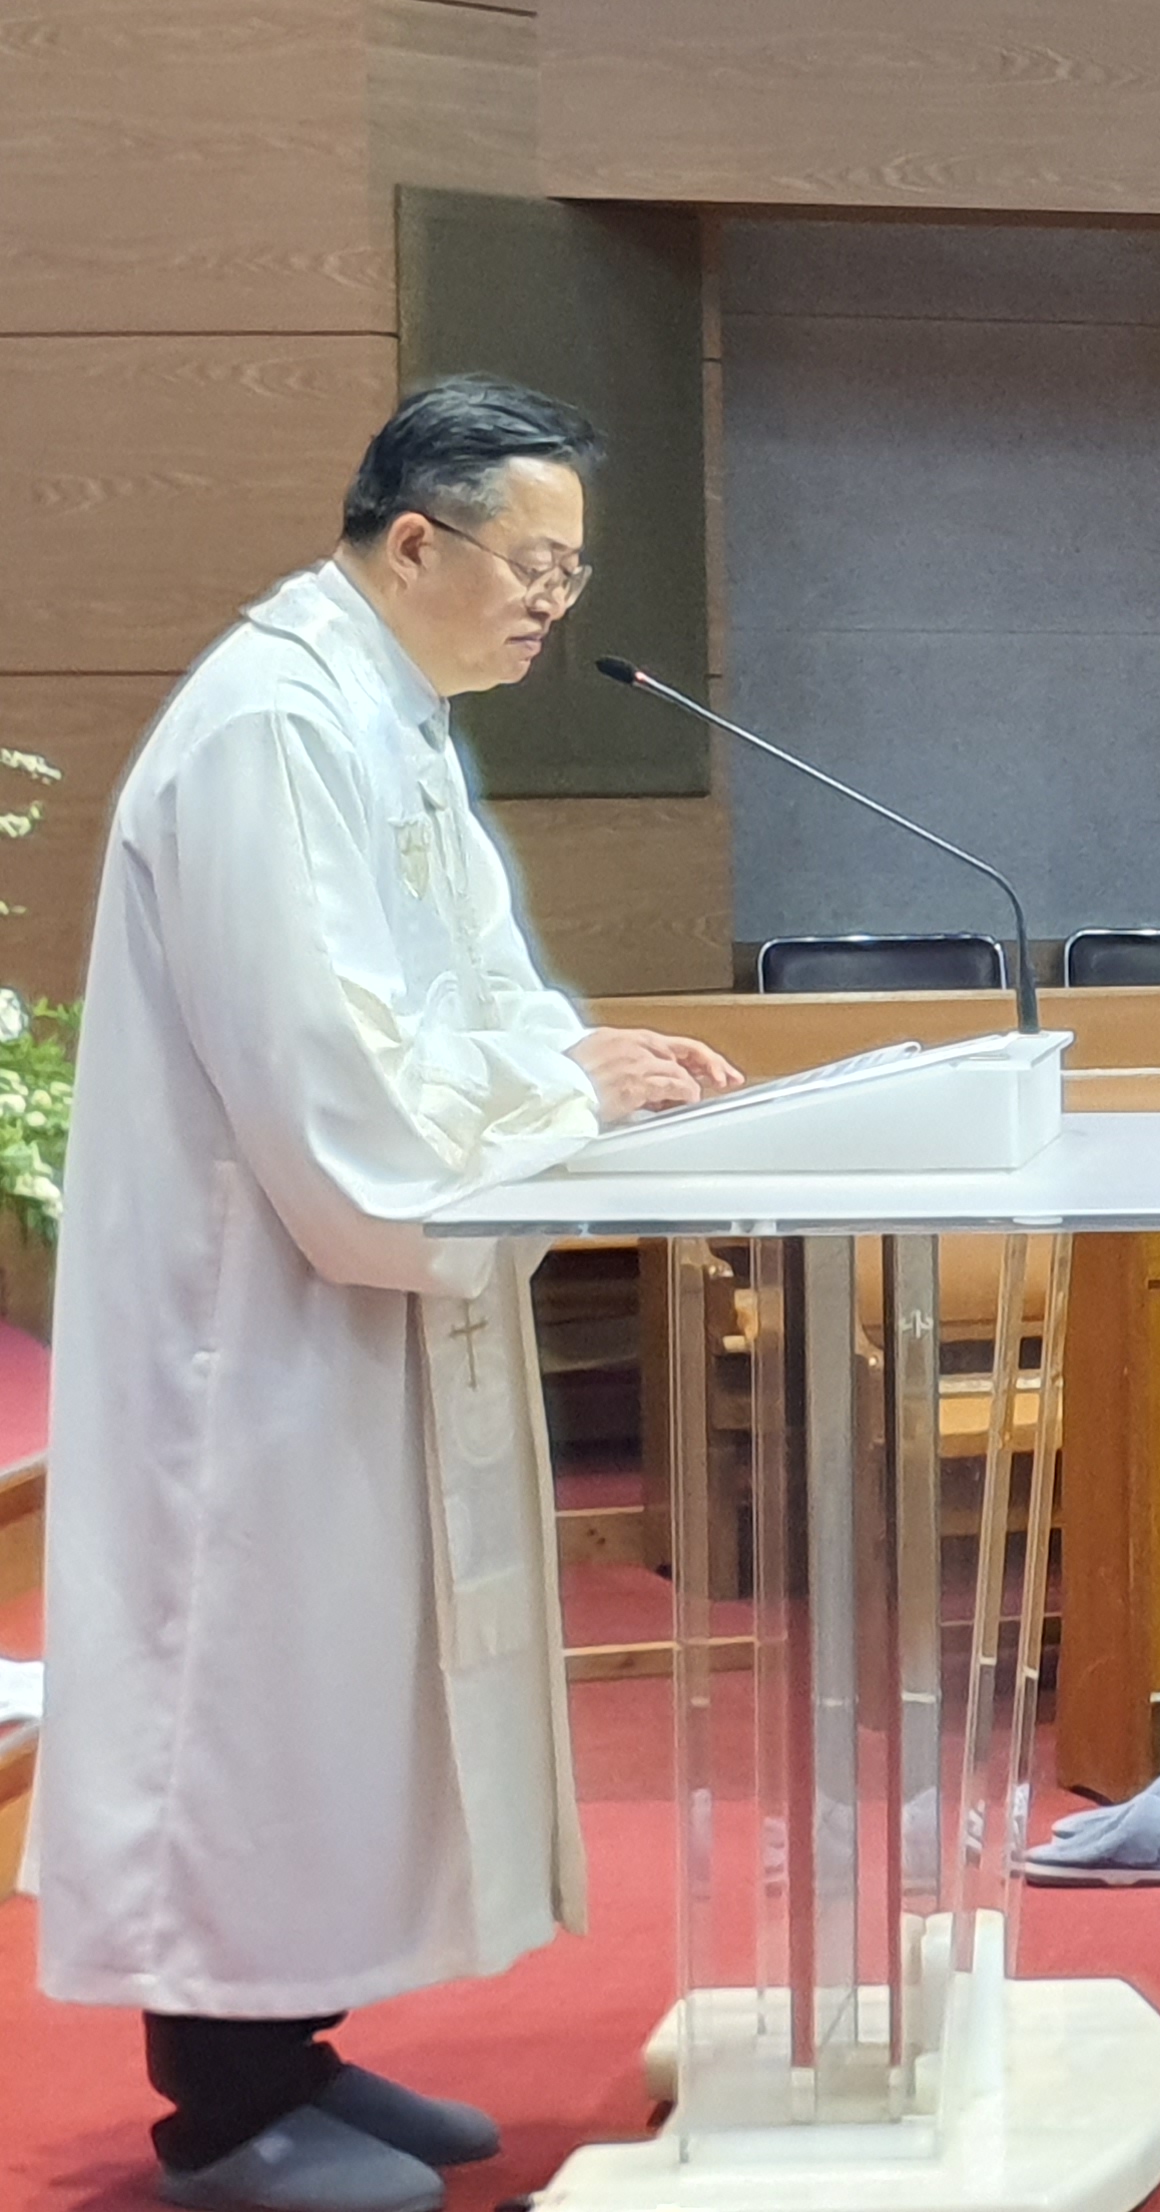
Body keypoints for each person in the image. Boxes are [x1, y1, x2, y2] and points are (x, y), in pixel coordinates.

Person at [28, 378, 741, 2212]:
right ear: (415, 540)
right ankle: (221, 2110)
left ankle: (296, 2055)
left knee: (335, 1693)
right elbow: (328, 1079)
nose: (552, 604)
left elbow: (467, 990)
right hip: (249, 1322)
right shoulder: (274, 723)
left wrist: (579, 1058)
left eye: (573, 575)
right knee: (249, 1688)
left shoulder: (384, 713)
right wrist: (560, 1096)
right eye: (534, 565)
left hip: (341, 1307)